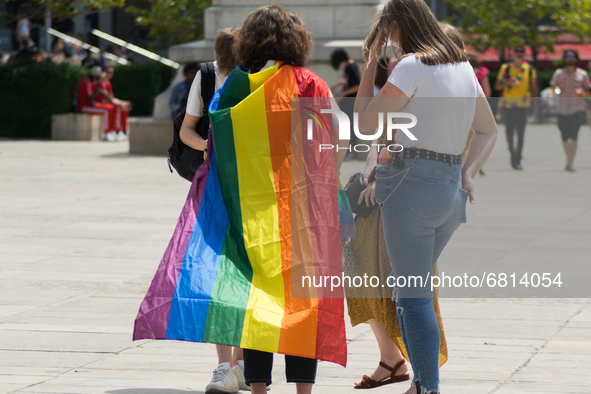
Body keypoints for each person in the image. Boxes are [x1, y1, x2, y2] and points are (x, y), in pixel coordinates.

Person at [354, 1, 498, 393]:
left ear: (397, 23)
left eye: (387, 27)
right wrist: (466, 173)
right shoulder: (462, 67)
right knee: (412, 291)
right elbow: (488, 130)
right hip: (449, 187)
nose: (388, 35)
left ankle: (426, 386)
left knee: (411, 297)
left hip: (411, 183)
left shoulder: (412, 66)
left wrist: (369, 64)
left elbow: (366, 125)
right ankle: (420, 382)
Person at [179, 28, 246, 394]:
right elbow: (187, 130)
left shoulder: (257, 78)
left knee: (245, 273)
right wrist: (209, 144)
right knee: (217, 272)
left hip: (250, 189)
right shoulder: (206, 77)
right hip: (214, 190)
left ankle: (240, 361)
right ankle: (226, 365)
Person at [495, 44, 538, 170]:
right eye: (517, 51)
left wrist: (536, 106)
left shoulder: (529, 69)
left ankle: (517, 158)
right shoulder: (506, 68)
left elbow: (534, 88)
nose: (519, 53)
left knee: (521, 133)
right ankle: (512, 153)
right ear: (512, 53)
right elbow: (497, 86)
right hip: (508, 106)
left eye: (522, 51)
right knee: (509, 133)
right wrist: (509, 82)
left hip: (523, 106)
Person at [547, 49, 590, 172]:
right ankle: (568, 158)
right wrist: (550, 100)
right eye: (567, 56)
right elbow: (552, 88)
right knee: (565, 137)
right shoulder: (559, 73)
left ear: (576, 59)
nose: (569, 58)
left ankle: (570, 162)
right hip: (562, 109)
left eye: (572, 56)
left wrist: (583, 92)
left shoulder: (582, 74)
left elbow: (588, 91)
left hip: (577, 109)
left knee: (573, 136)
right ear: (564, 59)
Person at [330, 48, 361, 160]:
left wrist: (342, 93)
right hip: (350, 101)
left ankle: (350, 151)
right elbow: (349, 82)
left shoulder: (350, 67)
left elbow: (357, 86)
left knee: (348, 126)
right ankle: (348, 151)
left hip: (350, 101)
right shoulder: (351, 66)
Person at [76, 66, 121, 141]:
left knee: (112, 107)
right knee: (107, 110)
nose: (99, 79)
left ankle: (112, 131)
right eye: (98, 77)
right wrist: (98, 88)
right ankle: (106, 133)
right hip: (84, 106)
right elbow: (90, 99)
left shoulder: (90, 82)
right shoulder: (86, 82)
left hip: (90, 104)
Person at [95, 66, 133, 140]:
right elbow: (106, 98)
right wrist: (119, 104)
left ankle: (122, 131)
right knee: (116, 107)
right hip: (100, 103)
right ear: (104, 73)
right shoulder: (100, 82)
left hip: (107, 102)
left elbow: (111, 98)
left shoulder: (108, 83)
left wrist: (122, 102)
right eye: (110, 72)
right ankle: (113, 131)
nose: (112, 74)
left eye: (112, 72)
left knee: (124, 106)